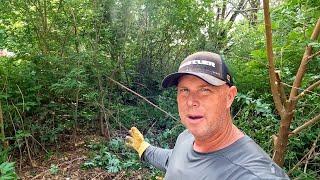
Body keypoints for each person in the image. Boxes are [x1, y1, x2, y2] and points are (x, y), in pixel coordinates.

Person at [125, 51, 290, 179]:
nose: (191, 101)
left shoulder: (252, 173)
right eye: (184, 90)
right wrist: (144, 149)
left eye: (205, 90)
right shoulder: (186, 137)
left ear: (229, 97)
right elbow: (174, 160)